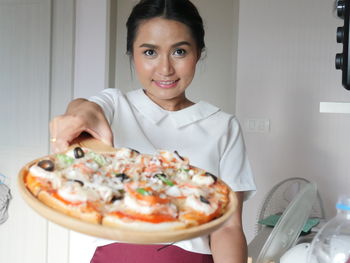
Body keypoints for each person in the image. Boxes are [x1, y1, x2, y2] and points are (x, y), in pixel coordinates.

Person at [50, 0, 256, 262]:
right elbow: (87, 109)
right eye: (150, 52)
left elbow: (228, 227)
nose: (165, 69)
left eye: (179, 52)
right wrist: (77, 114)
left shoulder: (223, 126)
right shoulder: (115, 105)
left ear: (198, 53)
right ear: (131, 53)